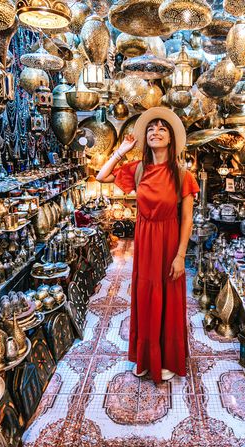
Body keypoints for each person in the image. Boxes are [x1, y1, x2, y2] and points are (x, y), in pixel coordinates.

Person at [95, 107, 200, 382]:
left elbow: (187, 220)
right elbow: (101, 176)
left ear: (171, 139)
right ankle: (145, 357)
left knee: (168, 300)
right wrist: (122, 149)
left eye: (162, 128)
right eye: (151, 128)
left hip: (169, 243)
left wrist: (180, 256)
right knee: (145, 297)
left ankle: (166, 359)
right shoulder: (138, 169)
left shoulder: (182, 175)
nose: (155, 132)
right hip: (145, 243)